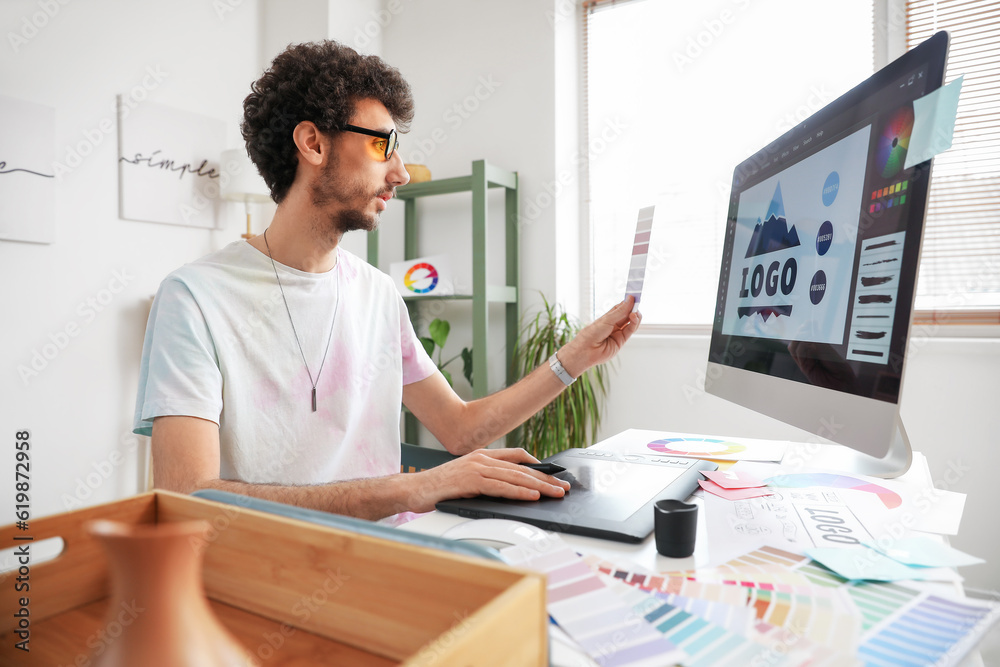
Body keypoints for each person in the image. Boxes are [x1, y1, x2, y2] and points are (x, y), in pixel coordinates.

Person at [132, 40, 640, 522]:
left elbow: (461, 429)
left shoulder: (377, 293)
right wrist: (412, 486)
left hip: (386, 557)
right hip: (270, 576)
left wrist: (574, 358)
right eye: (383, 144)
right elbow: (187, 495)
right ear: (312, 143)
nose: (399, 172)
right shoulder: (194, 298)